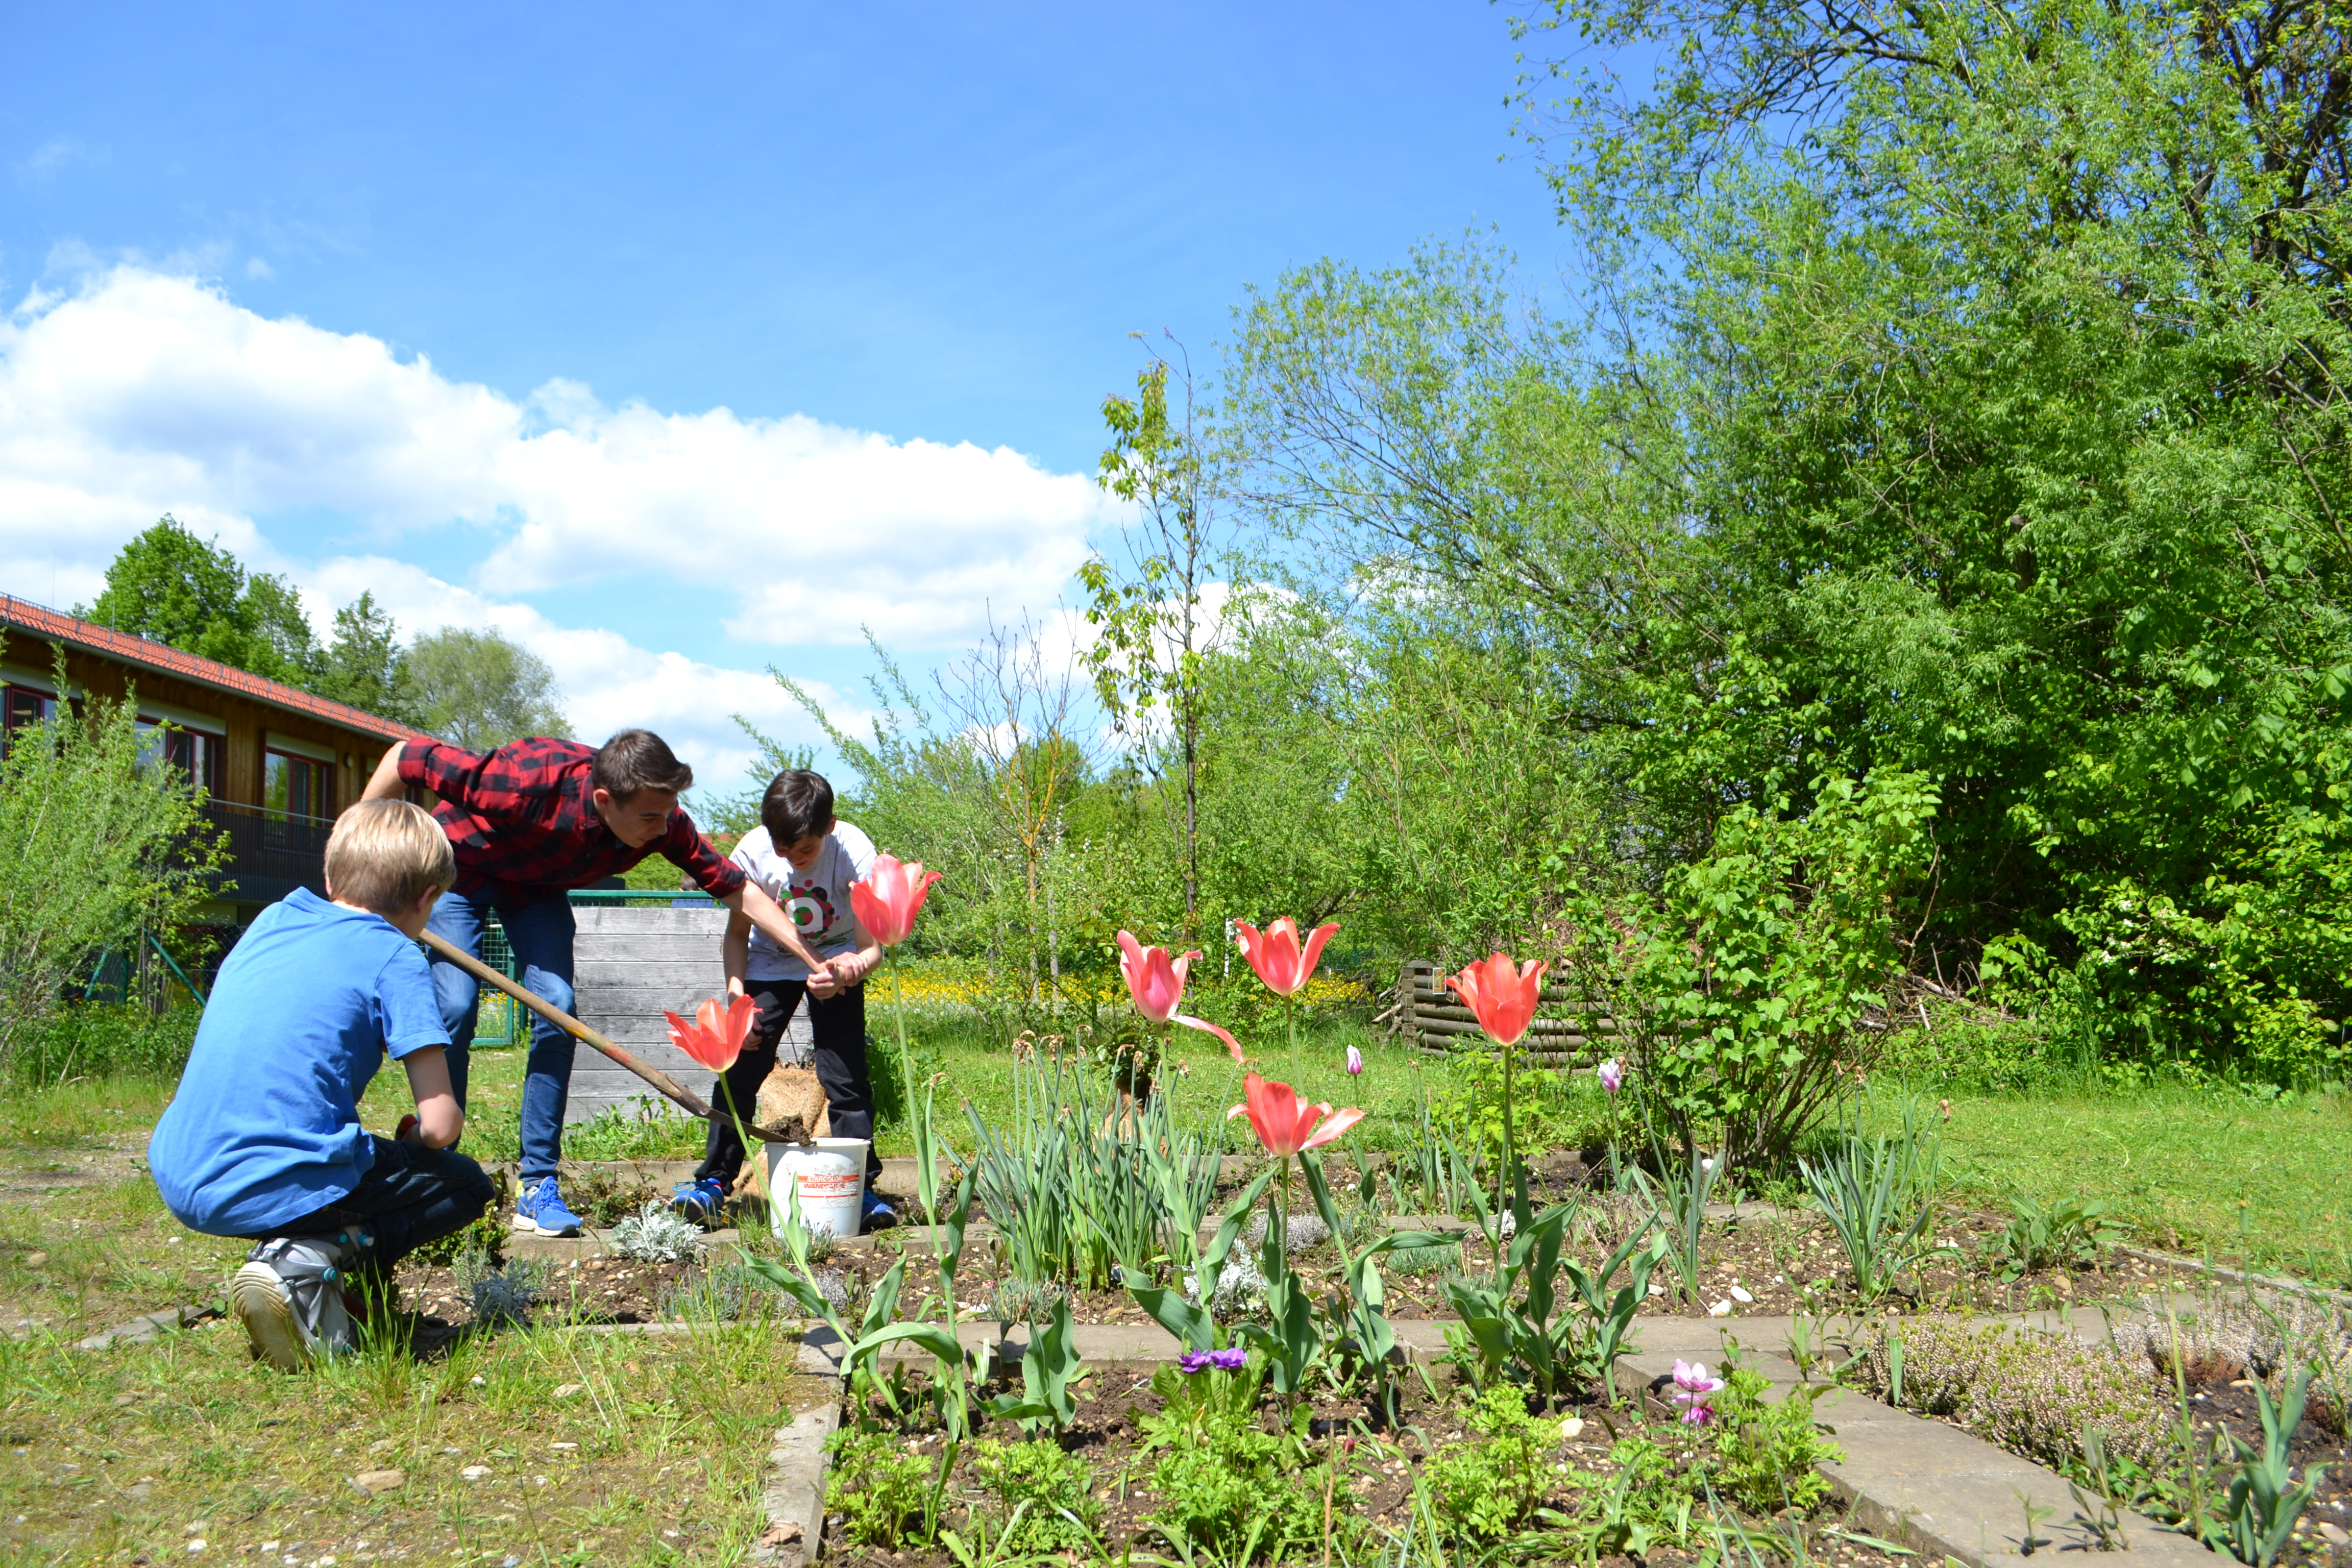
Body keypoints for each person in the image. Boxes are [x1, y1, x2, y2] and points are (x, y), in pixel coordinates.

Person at [358, 728, 837, 1238]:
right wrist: (356, 846)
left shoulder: (663, 820)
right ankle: (438, 1167)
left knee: (558, 1008)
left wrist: (812, 957)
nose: (662, 829)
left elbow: (738, 891)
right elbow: (406, 757)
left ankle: (538, 1184)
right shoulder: (522, 784)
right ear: (605, 800)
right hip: (461, 868)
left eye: (667, 813)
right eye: (650, 818)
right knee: (455, 1004)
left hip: (536, 888)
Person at [149, 799, 494, 1370]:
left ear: (330, 876)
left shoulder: (273, 919)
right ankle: (307, 1259)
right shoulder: (395, 956)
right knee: (464, 1185)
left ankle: (327, 1287)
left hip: (184, 1168)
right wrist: (418, 1141)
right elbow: (440, 1123)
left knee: (359, 1163)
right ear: (430, 898)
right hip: (272, 1177)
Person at [671, 768, 894, 1231]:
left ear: (829, 827)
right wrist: (737, 1000)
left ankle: (861, 1187)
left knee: (845, 1075)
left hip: (833, 962)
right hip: (767, 964)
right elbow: (736, 936)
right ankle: (714, 1181)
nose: (790, 858)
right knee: (738, 1068)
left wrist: (850, 970)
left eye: (804, 850)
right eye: (781, 848)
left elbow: (874, 948)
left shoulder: (854, 852)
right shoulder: (752, 851)